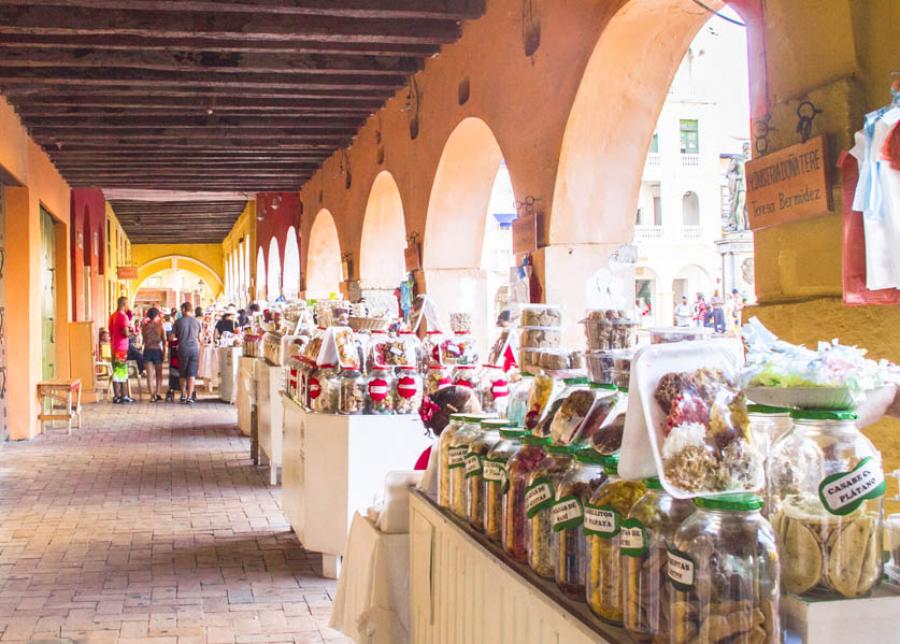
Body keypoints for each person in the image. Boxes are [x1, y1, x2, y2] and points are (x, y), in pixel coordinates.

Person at [173, 302, 202, 405]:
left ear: (184, 309)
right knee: (192, 373)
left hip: (183, 348)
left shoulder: (178, 322)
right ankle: (189, 396)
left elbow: (171, 337)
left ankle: (183, 395)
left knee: (182, 373)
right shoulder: (197, 322)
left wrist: (178, 337)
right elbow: (200, 338)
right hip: (195, 349)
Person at [108, 296, 134, 404]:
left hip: (114, 346)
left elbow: (111, 331)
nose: (129, 306)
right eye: (127, 304)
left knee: (117, 371)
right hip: (121, 347)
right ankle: (123, 395)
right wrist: (132, 333)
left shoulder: (112, 316)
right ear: (124, 304)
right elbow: (125, 333)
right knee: (122, 371)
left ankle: (117, 395)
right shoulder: (123, 317)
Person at [141, 307, 166, 402]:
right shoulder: (160, 326)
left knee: (149, 375)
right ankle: (158, 393)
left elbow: (144, 338)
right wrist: (164, 353)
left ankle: (152, 396)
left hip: (147, 350)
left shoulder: (144, 327)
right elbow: (164, 341)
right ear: (157, 316)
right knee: (159, 374)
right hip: (156, 350)